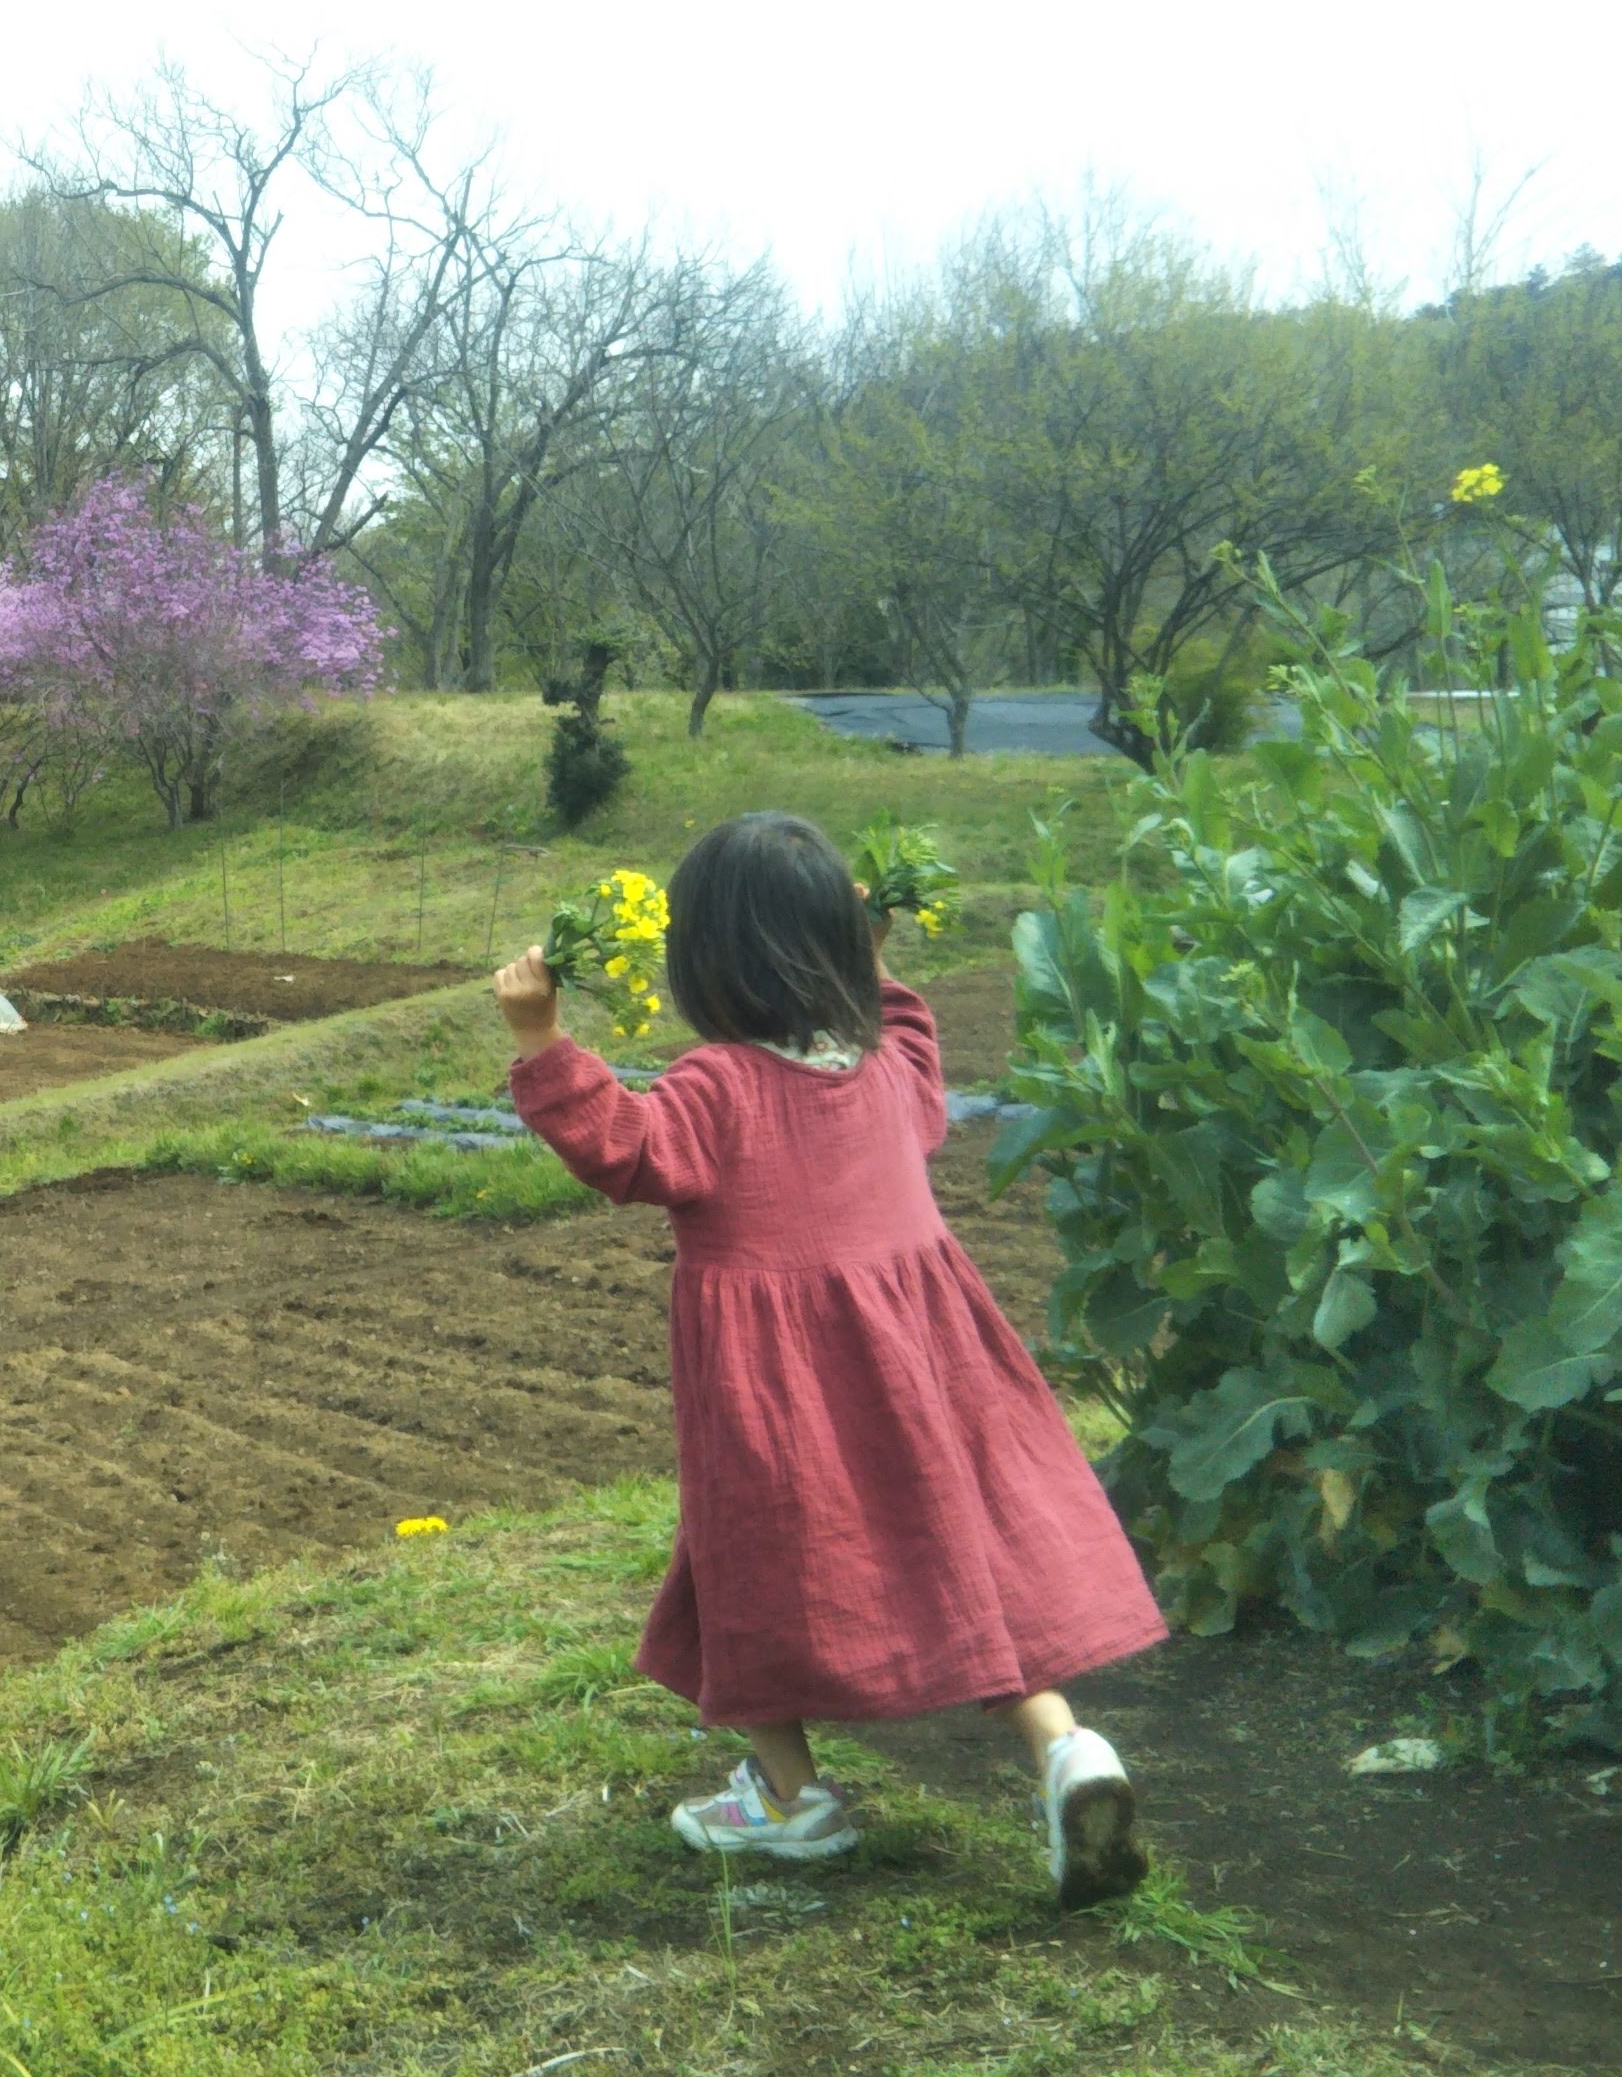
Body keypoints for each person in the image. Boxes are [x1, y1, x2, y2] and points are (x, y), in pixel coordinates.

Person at [495, 811, 1164, 1906]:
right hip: (927, 1376)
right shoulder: (887, 1072)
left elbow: (625, 1150)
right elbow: (907, 1032)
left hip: (780, 1398)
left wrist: (541, 1041)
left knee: (748, 1572)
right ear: (841, 950)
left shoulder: (717, 1087)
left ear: (704, 960)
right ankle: (1066, 1749)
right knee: (964, 1556)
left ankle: (790, 1798)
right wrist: (875, 958)